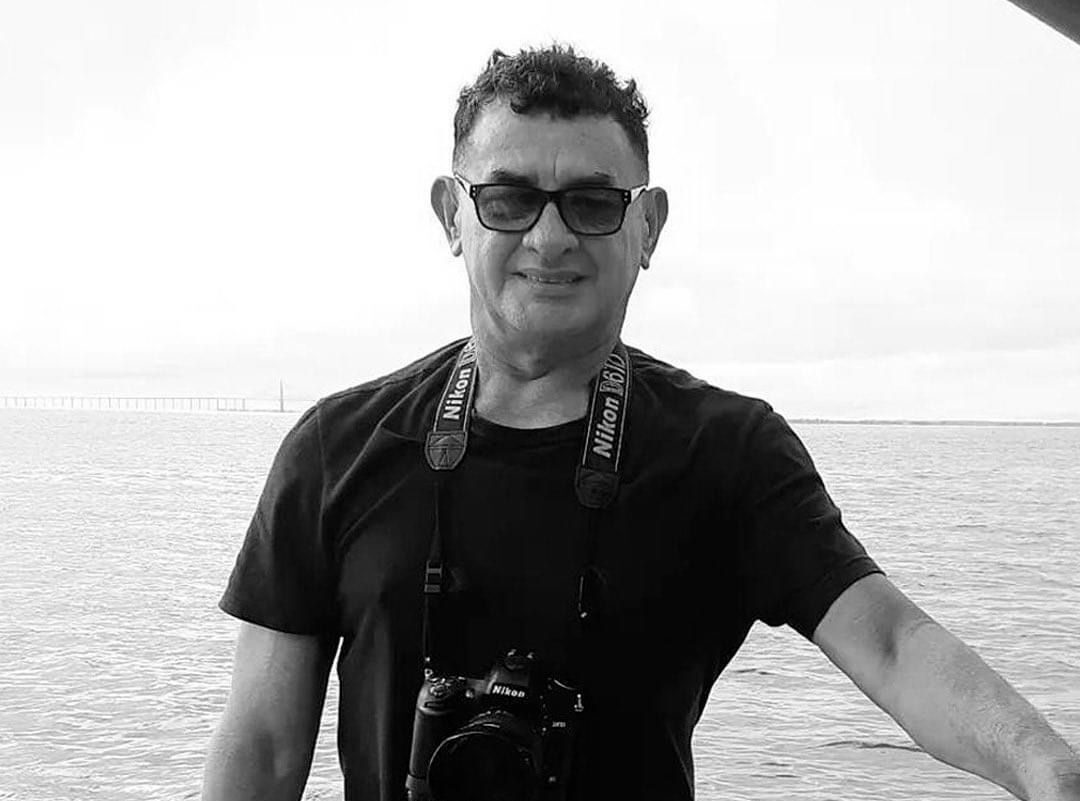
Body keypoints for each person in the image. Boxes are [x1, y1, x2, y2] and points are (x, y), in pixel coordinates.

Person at [200, 45, 1080, 801]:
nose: (549, 238)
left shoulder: (729, 451)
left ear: (647, 226)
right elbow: (265, 749)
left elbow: (891, 643)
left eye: (593, 203)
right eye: (508, 198)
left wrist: (1048, 767)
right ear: (452, 215)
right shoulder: (335, 448)